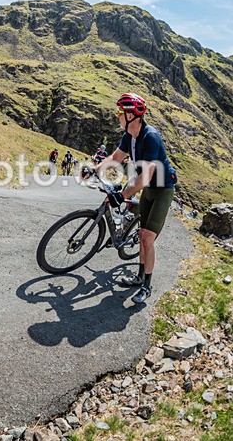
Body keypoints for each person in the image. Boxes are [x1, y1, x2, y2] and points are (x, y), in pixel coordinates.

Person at [89, 93, 178, 305]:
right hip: (147, 188)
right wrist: (95, 169)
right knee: (140, 231)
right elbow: (116, 158)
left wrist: (121, 196)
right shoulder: (130, 135)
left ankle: (147, 286)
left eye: (121, 112)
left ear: (131, 115)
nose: (117, 116)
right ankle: (139, 276)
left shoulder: (150, 137)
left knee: (147, 237)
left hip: (162, 189)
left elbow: (145, 177)